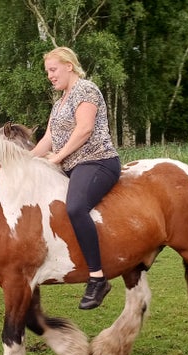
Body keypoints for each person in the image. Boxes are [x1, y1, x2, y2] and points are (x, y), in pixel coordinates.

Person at [30, 47, 122, 310]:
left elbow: (84, 130)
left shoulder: (86, 90)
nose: (49, 76)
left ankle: (97, 278)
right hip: (71, 165)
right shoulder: (59, 103)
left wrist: (57, 157)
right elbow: (46, 139)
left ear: (69, 66)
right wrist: (22, 159)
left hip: (97, 161)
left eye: (52, 69)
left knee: (75, 207)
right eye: (47, 71)